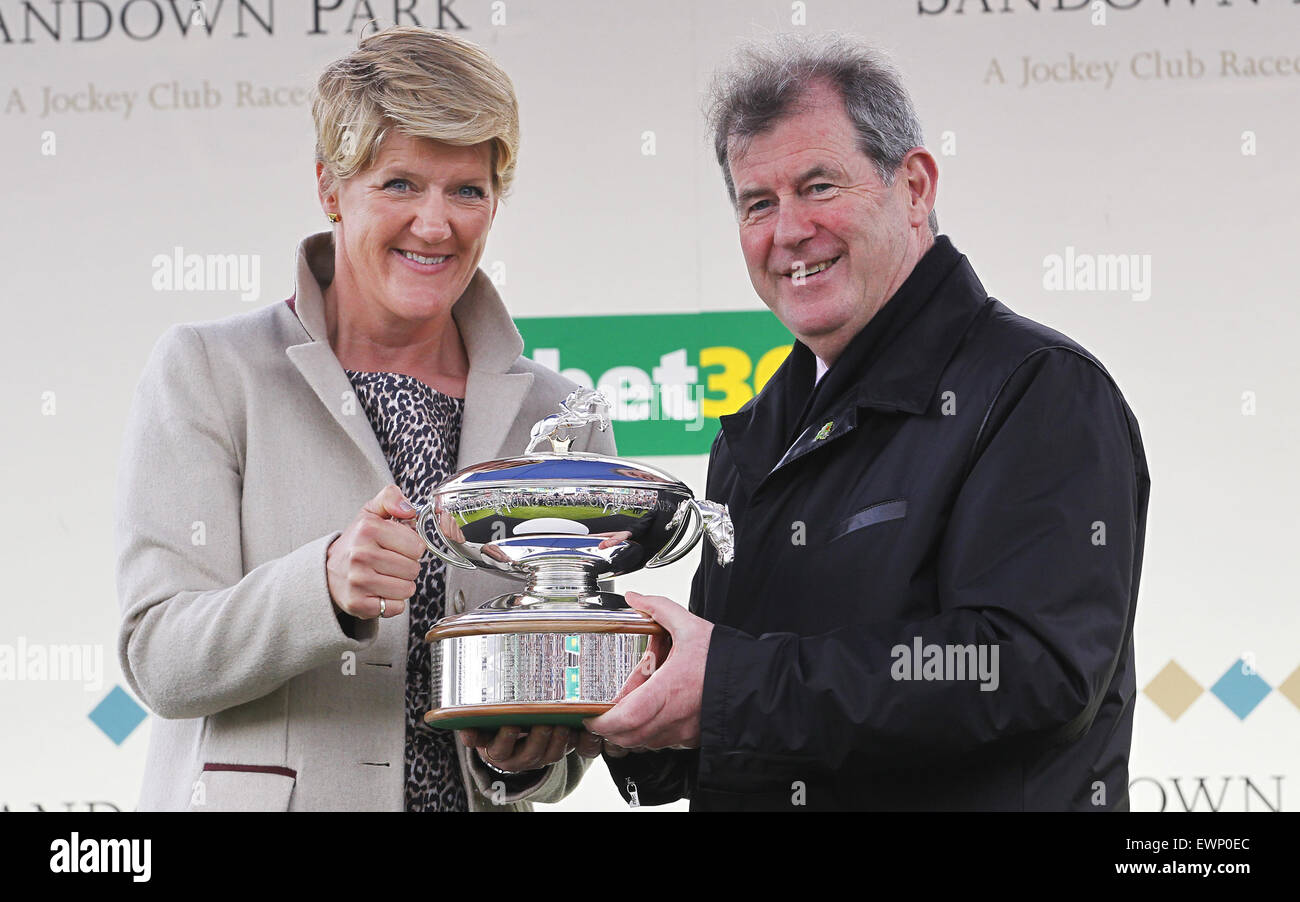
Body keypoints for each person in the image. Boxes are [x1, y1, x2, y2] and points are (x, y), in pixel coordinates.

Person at [588, 33, 1151, 811]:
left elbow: (1025, 669)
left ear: (914, 187)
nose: (787, 231)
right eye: (758, 202)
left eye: (819, 186)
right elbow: (747, 720)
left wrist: (728, 684)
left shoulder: (1038, 391)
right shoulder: (752, 438)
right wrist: (630, 718)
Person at [114, 26, 610, 812]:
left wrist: (536, 753)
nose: (436, 223)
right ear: (329, 187)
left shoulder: (562, 418)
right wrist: (321, 584)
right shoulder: (209, 370)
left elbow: (562, 731)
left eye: (467, 190)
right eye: (401, 183)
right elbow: (159, 658)